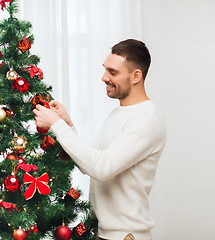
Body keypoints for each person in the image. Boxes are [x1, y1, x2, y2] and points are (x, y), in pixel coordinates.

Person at [33, 39, 166, 240]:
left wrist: (56, 126)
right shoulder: (119, 113)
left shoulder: (147, 119)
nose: (104, 78)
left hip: (125, 236)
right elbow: (91, 162)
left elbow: (101, 168)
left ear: (136, 76)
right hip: (104, 233)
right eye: (105, 70)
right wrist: (67, 125)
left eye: (113, 72)